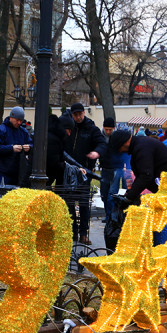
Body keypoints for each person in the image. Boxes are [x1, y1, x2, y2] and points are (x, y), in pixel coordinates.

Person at [57, 103, 108, 245]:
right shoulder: (67, 127)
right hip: (66, 171)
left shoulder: (91, 129)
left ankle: (83, 233)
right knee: (69, 202)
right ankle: (72, 231)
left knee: (84, 203)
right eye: (75, 114)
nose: (78, 117)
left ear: (84, 113)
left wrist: (97, 152)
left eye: (80, 114)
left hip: (84, 171)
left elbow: (101, 143)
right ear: (71, 114)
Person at [109, 129, 167, 207]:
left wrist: (129, 198)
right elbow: (141, 174)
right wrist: (131, 192)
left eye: (119, 148)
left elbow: (145, 175)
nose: (120, 151)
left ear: (125, 142)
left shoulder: (142, 147)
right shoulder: (139, 145)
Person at [0, 106, 32, 186]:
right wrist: (11, 148)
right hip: (4, 171)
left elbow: (32, 144)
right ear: (11, 118)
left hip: (20, 172)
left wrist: (29, 147)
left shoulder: (23, 132)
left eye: (21, 120)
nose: (19, 123)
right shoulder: (1, 130)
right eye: (17, 120)